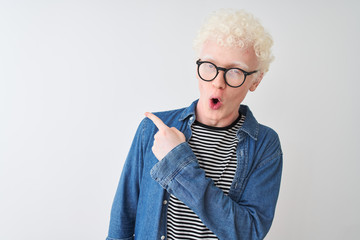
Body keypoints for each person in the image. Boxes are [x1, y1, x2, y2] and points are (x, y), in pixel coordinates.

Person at [106, 9, 282, 240]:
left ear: (255, 80)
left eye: (235, 71)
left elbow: (248, 233)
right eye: (209, 65)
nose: (218, 83)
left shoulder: (264, 145)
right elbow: (123, 217)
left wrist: (177, 162)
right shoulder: (154, 129)